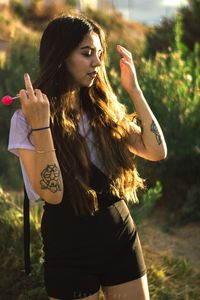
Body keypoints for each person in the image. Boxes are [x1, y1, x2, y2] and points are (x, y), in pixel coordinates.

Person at [8, 14, 167, 300]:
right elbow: (53, 194)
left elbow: (156, 151)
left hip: (120, 235)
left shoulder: (103, 109)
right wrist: (42, 125)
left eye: (99, 54)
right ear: (61, 55)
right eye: (86, 53)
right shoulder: (25, 120)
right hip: (69, 246)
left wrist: (134, 89)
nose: (97, 62)